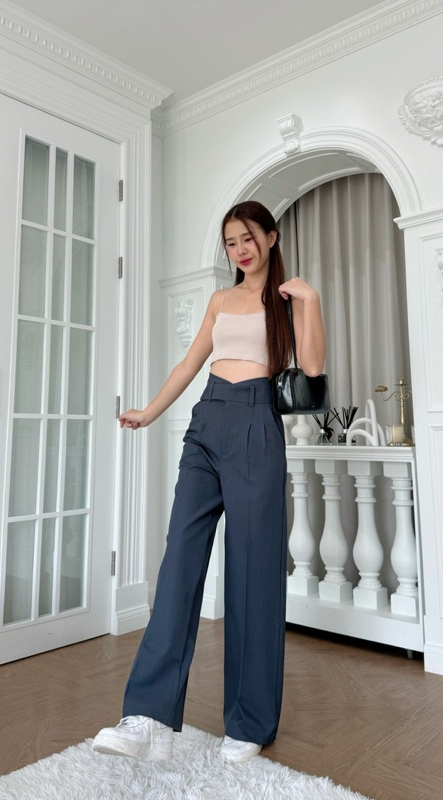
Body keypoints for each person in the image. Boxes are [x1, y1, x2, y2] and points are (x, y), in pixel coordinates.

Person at [92, 200, 326, 765]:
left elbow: (314, 369)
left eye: (248, 238)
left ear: (271, 237)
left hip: (256, 425)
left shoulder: (287, 300)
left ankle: (249, 720)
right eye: (230, 242)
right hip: (206, 424)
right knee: (179, 562)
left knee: (251, 573)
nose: (239, 249)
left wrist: (311, 301)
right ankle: (148, 717)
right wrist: (149, 412)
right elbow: (189, 363)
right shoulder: (221, 300)